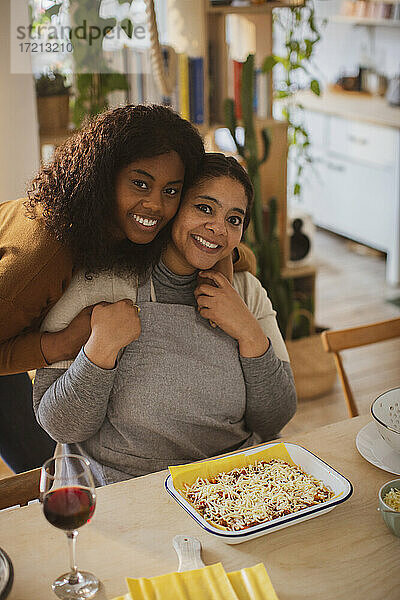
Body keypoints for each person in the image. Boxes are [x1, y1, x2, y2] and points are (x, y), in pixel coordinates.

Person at [0, 105, 253, 472]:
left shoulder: (134, 220)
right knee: (46, 475)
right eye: (140, 183)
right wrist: (62, 343)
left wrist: (222, 268)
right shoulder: (46, 251)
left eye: (171, 191)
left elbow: (215, 242)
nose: (155, 203)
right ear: (104, 175)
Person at [33, 153, 297, 486]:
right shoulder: (99, 282)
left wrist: (249, 333)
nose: (218, 228)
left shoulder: (247, 291)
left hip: (230, 489)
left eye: (234, 219)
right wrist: (98, 351)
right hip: (124, 494)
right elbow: (61, 426)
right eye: (204, 207)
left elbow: (276, 417)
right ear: (173, 209)